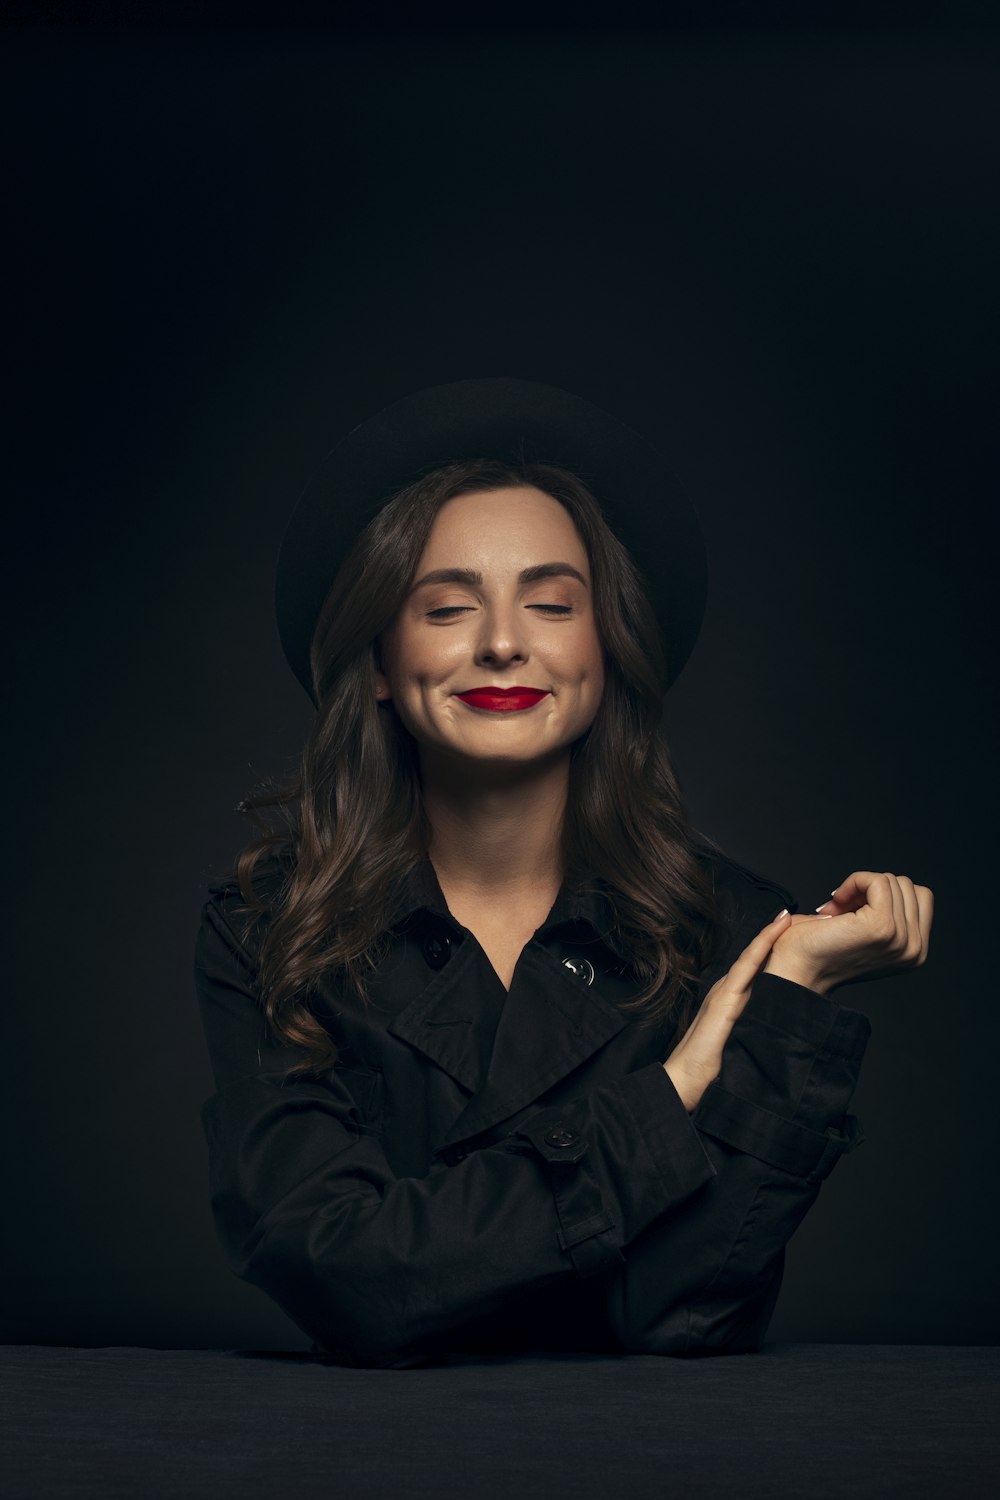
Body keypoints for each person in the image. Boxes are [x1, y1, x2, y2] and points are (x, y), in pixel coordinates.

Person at [194, 377, 933, 1370]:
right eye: (447, 607)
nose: (503, 642)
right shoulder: (265, 928)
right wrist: (665, 1101)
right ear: (377, 659)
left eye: (550, 603)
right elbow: (343, 1275)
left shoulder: (731, 933)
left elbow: (678, 1317)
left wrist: (791, 1000)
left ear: (606, 650)